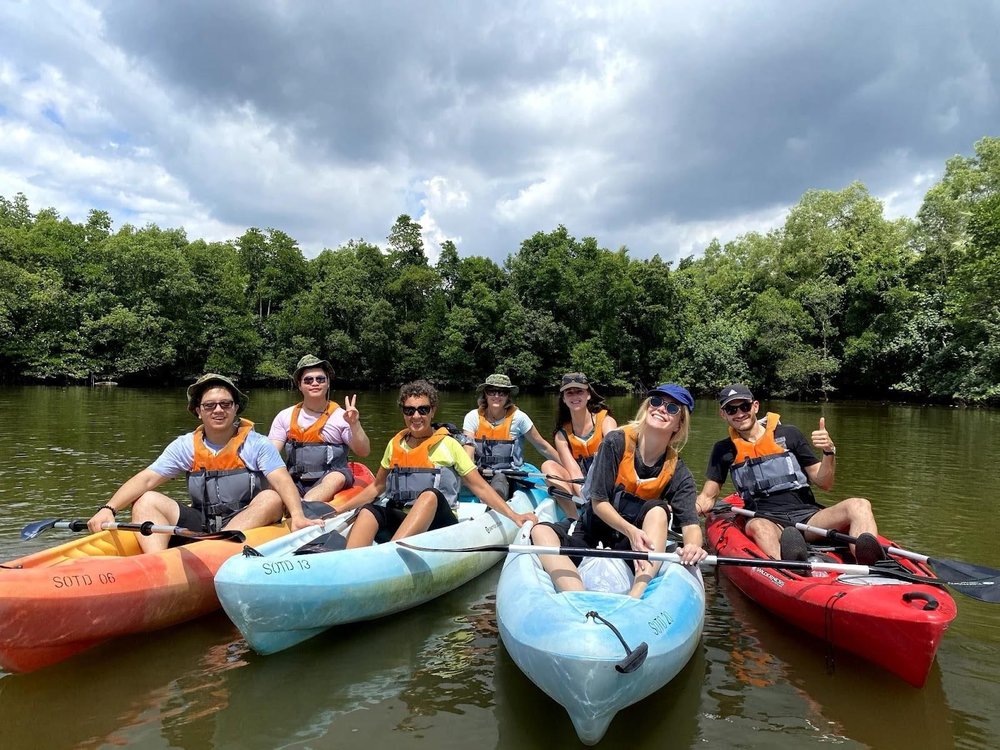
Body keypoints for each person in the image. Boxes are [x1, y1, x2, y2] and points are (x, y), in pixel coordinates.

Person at [87, 374, 323, 553]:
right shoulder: (185, 445)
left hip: (246, 521)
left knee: (271, 498)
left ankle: (217, 549)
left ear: (236, 408)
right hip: (203, 523)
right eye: (209, 405)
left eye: (225, 404)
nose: (218, 410)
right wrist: (108, 509)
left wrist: (297, 514)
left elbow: (281, 480)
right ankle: (158, 564)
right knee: (146, 499)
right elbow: (147, 478)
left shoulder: (257, 444)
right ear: (198, 411)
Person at [530, 384, 708, 599]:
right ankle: (576, 597)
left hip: (639, 549)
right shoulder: (615, 442)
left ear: (679, 425)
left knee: (658, 510)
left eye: (672, 409)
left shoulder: (679, 472)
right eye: (656, 402)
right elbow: (598, 503)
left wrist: (693, 546)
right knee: (540, 531)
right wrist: (630, 531)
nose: (661, 408)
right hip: (592, 532)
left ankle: (636, 596)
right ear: (647, 407)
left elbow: (690, 525)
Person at [694, 383, 884, 564]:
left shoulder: (790, 434)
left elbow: (824, 483)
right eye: (731, 410)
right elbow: (708, 497)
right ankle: (788, 567)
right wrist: (683, 510)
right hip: (768, 521)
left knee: (860, 505)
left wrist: (828, 452)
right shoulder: (723, 450)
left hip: (809, 518)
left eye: (744, 406)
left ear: (755, 406)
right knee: (758, 526)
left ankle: (871, 566)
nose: (740, 413)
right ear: (723, 414)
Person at [338, 380, 538, 548]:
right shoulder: (395, 444)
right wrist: (337, 511)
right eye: (409, 410)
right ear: (403, 413)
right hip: (402, 516)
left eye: (423, 410)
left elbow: (480, 487)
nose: (416, 416)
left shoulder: (449, 444)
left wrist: (514, 516)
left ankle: (391, 555)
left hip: (440, 525)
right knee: (369, 511)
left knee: (429, 495)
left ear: (432, 411)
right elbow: (376, 486)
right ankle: (351, 563)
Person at [268, 355, 371, 503]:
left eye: (320, 379)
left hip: (331, 476)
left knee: (335, 478)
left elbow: (364, 452)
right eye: (308, 380)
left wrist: (355, 424)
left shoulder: (341, 417)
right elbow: (271, 454)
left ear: (328, 383)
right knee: (274, 476)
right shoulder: (285, 416)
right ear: (299, 385)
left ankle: (304, 507)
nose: (314, 383)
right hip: (295, 479)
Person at [462, 373, 562, 498]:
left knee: (499, 481)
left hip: (508, 474)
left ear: (508, 395)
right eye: (492, 391)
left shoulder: (519, 418)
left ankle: (495, 504)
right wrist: (470, 474)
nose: (497, 396)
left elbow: (542, 446)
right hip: (480, 472)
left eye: (502, 392)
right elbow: (468, 450)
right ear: (485, 394)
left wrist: (566, 466)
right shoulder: (472, 417)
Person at [541, 372, 618, 520]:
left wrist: (598, 498)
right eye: (569, 393)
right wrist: (585, 497)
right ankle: (575, 518)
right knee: (548, 466)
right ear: (563, 399)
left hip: (607, 483)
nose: (575, 397)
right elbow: (574, 472)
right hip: (581, 487)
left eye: (579, 391)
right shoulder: (561, 435)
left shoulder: (607, 421)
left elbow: (614, 461)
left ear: (588, 395)